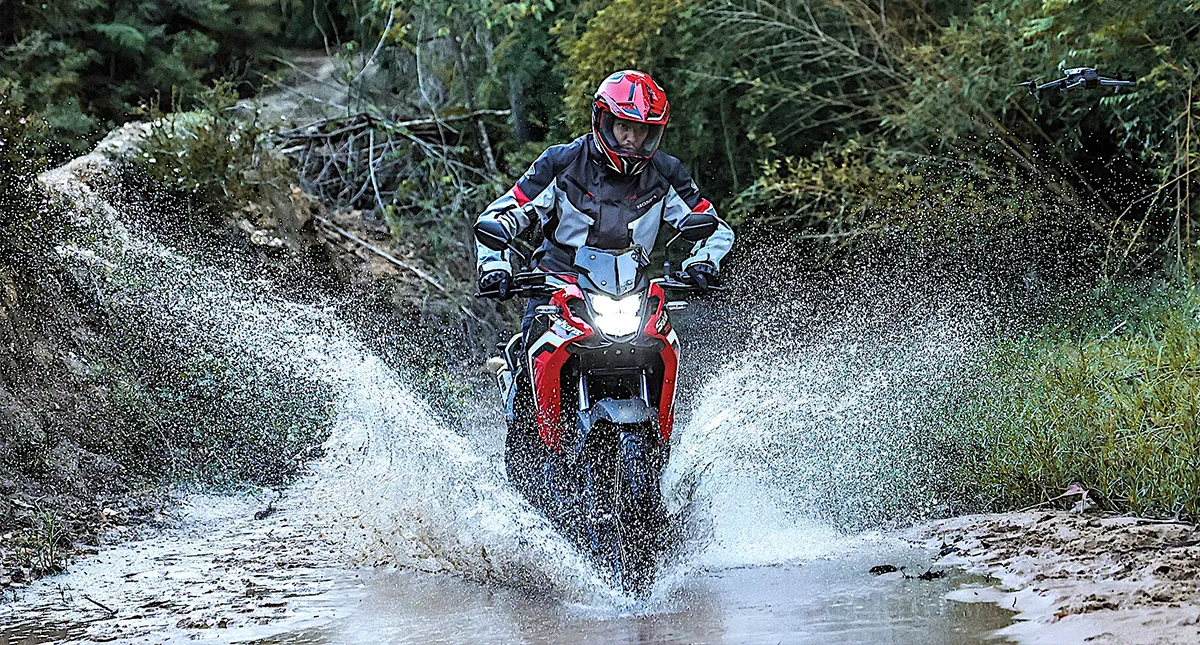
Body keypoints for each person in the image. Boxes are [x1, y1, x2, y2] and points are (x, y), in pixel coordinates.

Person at [474, 69, 734, 342]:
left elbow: (713, 226)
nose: (632, 138)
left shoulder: (666, 172)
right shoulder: (561, 162)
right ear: (604, 121)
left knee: (666, 347)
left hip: (634, 294)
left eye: (642, 129)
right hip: (560, 286)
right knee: (533, 353)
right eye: (624, 127)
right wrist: (494, 267)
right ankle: (521, 380)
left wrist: (703, 262)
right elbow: (501, 215)